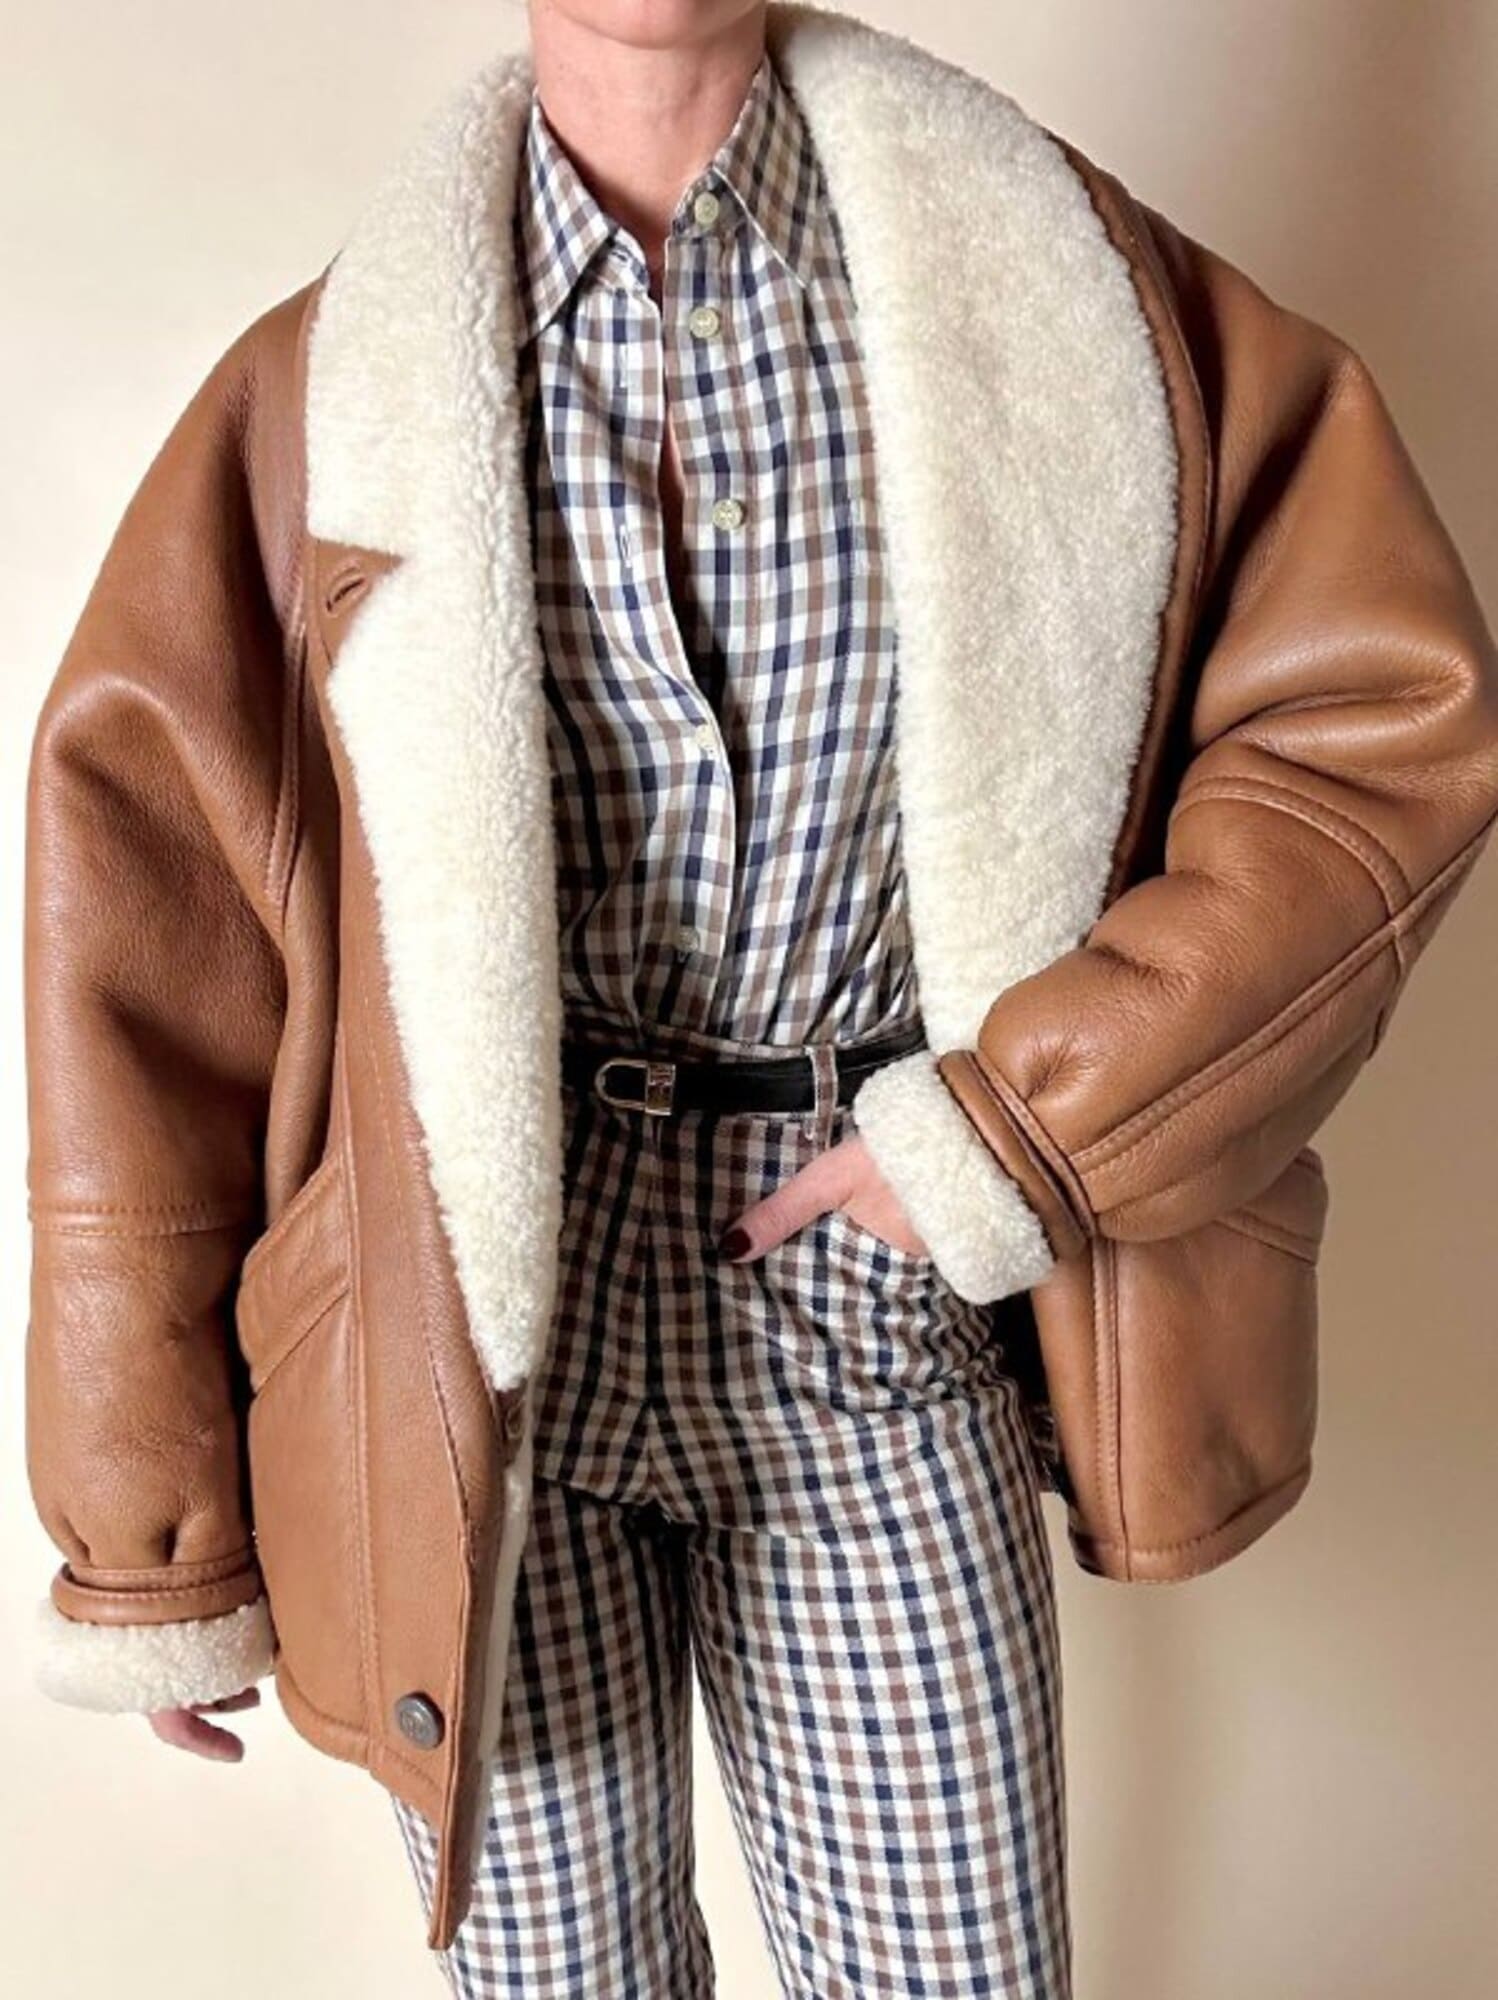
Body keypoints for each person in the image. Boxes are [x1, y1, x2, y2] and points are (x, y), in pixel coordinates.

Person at [22, 3, 1498, 1996]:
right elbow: (143, 946)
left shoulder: (1062, 291)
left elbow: (1375, 726)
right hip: (469, 1345)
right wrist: (150, 1523)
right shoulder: (321, 392)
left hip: (876, 1294)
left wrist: (1017, 1131)